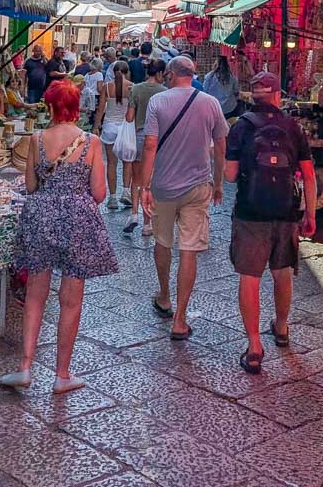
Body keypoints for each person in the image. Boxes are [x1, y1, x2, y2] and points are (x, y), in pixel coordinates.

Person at [0, 79, 118, 395]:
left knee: (36, 293)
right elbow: (99, 192)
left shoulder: (36, 139)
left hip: (40, 217)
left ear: (50, 107)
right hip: (78, 220)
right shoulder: (91, 142)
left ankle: (25, 367)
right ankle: (62, 373)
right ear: (76, 108)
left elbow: (30, 187)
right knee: (71, 299)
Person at [225, 71, 316, 373]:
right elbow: (309, 174)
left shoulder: (241, 128)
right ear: (277, 95)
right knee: (282, 272)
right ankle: (282, 326)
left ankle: (253, 345)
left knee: (250, 277)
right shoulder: (293, 127)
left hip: (251, 211)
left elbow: (230, 175)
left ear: (252, 95)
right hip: (285, 210)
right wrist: (311, 213)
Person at [140, 55, 228, 340]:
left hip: (164, 186)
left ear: (170, 74)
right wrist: (218, 182)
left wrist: (144, 185)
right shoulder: (210, 103)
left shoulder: (158, 102)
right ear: (192, 74)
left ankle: (164, 295)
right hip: (197, 186)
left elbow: (151, 145)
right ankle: (180, 318)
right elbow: (220, 147)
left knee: (162, 241)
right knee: (189, 249)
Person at [122, 58, 167, 238]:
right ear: (159, 73)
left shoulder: (136, 89)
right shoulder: (164, 93)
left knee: (136, 179)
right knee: (150, 181)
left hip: (138, 136)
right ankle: (147, 223)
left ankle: (134, 214)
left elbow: (129, 117)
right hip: (156, 139)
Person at [94, 58, 133, 209]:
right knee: (127, 162)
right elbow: (132, 110)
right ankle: (126, 192)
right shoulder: (132, 87)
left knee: (111, 163)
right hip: (125, 128)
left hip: (109, 127)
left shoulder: (107, 87)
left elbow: (101, 108)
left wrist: (96, 126)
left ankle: (112, 198)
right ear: (126, 72)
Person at [203, 53, 241, 119]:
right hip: (229, 108)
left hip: (214, 107)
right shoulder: (232, 77)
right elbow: (236, 91)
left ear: (215, 64)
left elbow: (204, 91)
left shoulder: (209, 76)